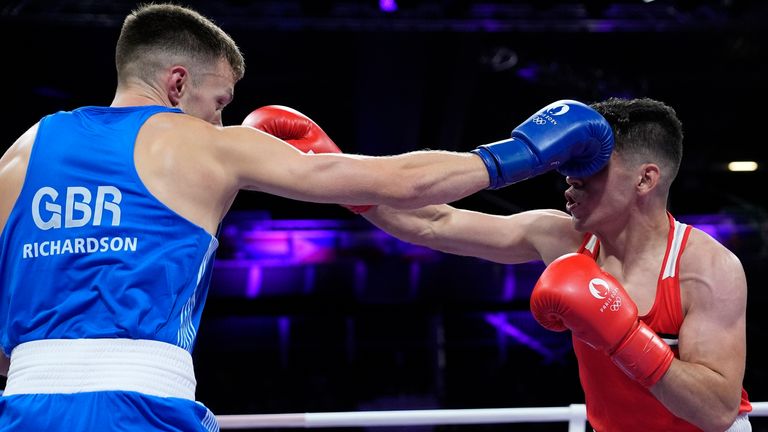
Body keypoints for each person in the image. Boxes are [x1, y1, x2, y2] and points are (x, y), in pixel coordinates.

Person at [0, 3, 614, 431]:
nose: (219, 120)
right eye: (218, 102)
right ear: (177, 82)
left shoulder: (22, 152)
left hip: (23, 404)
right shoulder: (207, 144)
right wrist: (525, 153)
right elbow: (400, 183)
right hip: (138, 405)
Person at [327, 97, 751, 431]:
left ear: (645, 179)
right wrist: (332, 175)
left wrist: (625, 337)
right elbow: (435, 222)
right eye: (571, 163)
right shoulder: (561, 237)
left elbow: (715, 412)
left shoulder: (708, 269)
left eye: (592, 165)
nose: (572, 178)